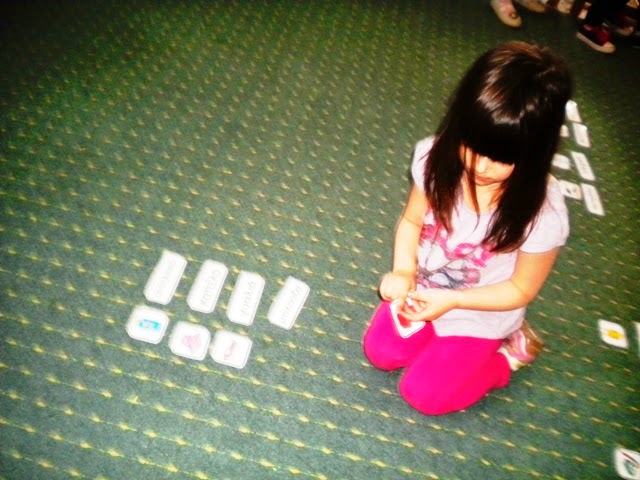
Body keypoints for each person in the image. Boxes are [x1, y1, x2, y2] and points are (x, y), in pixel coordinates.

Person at [363, 42, 572, 416]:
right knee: (381, 353)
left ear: (537, 153)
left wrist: (455, 301)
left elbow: (520, 289)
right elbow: (411, 221)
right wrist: (404, 271)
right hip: (425, 288)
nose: (481, 166)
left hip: (481, 311)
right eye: (473, 145)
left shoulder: (544, 212)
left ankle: (506, 358)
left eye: (502, 159)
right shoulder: (436, 158)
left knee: (424, 396)